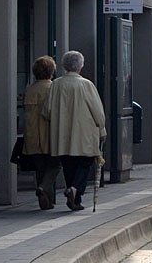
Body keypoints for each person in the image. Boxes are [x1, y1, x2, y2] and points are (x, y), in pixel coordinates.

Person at [42, 51, 106, 212]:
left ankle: (74, 200)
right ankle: (75, 190)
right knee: (84, 163)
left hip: (62, 134)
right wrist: (102, 128)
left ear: (64, 66)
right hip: (84, 133)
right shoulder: (86, 85)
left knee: (68, 165)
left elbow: (46, 111)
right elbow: (98, 112)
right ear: (80, 66)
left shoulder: (56, 84)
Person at [23, 56, 62, 210]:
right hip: (51, 135)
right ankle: (45, 188)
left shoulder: (29, 90)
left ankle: (46, 201)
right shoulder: (54, 88)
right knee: (55, 165)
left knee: (40, 168)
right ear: (51, 71)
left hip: (33, 136)